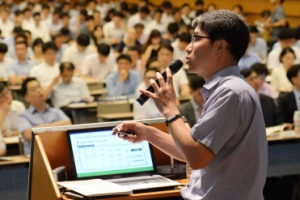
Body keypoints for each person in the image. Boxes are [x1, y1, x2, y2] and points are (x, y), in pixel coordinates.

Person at [112, 10, 267, 199]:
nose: (188, 48)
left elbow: (196, 158)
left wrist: (170, 109)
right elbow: (194, 149)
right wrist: (148, 133)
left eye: (196, 39)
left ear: (220, 47)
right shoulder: (227, 89)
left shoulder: (231, 92)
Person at [18, 77, 71, 155]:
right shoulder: (23, 116)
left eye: (39, 87)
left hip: (58, 155)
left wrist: (43, 127)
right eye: (33, 90)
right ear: (27, 98)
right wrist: (56, 128)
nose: (39, 91)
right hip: (36, 159)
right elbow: (29, 135)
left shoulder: (56, 111)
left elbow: (68, 124)